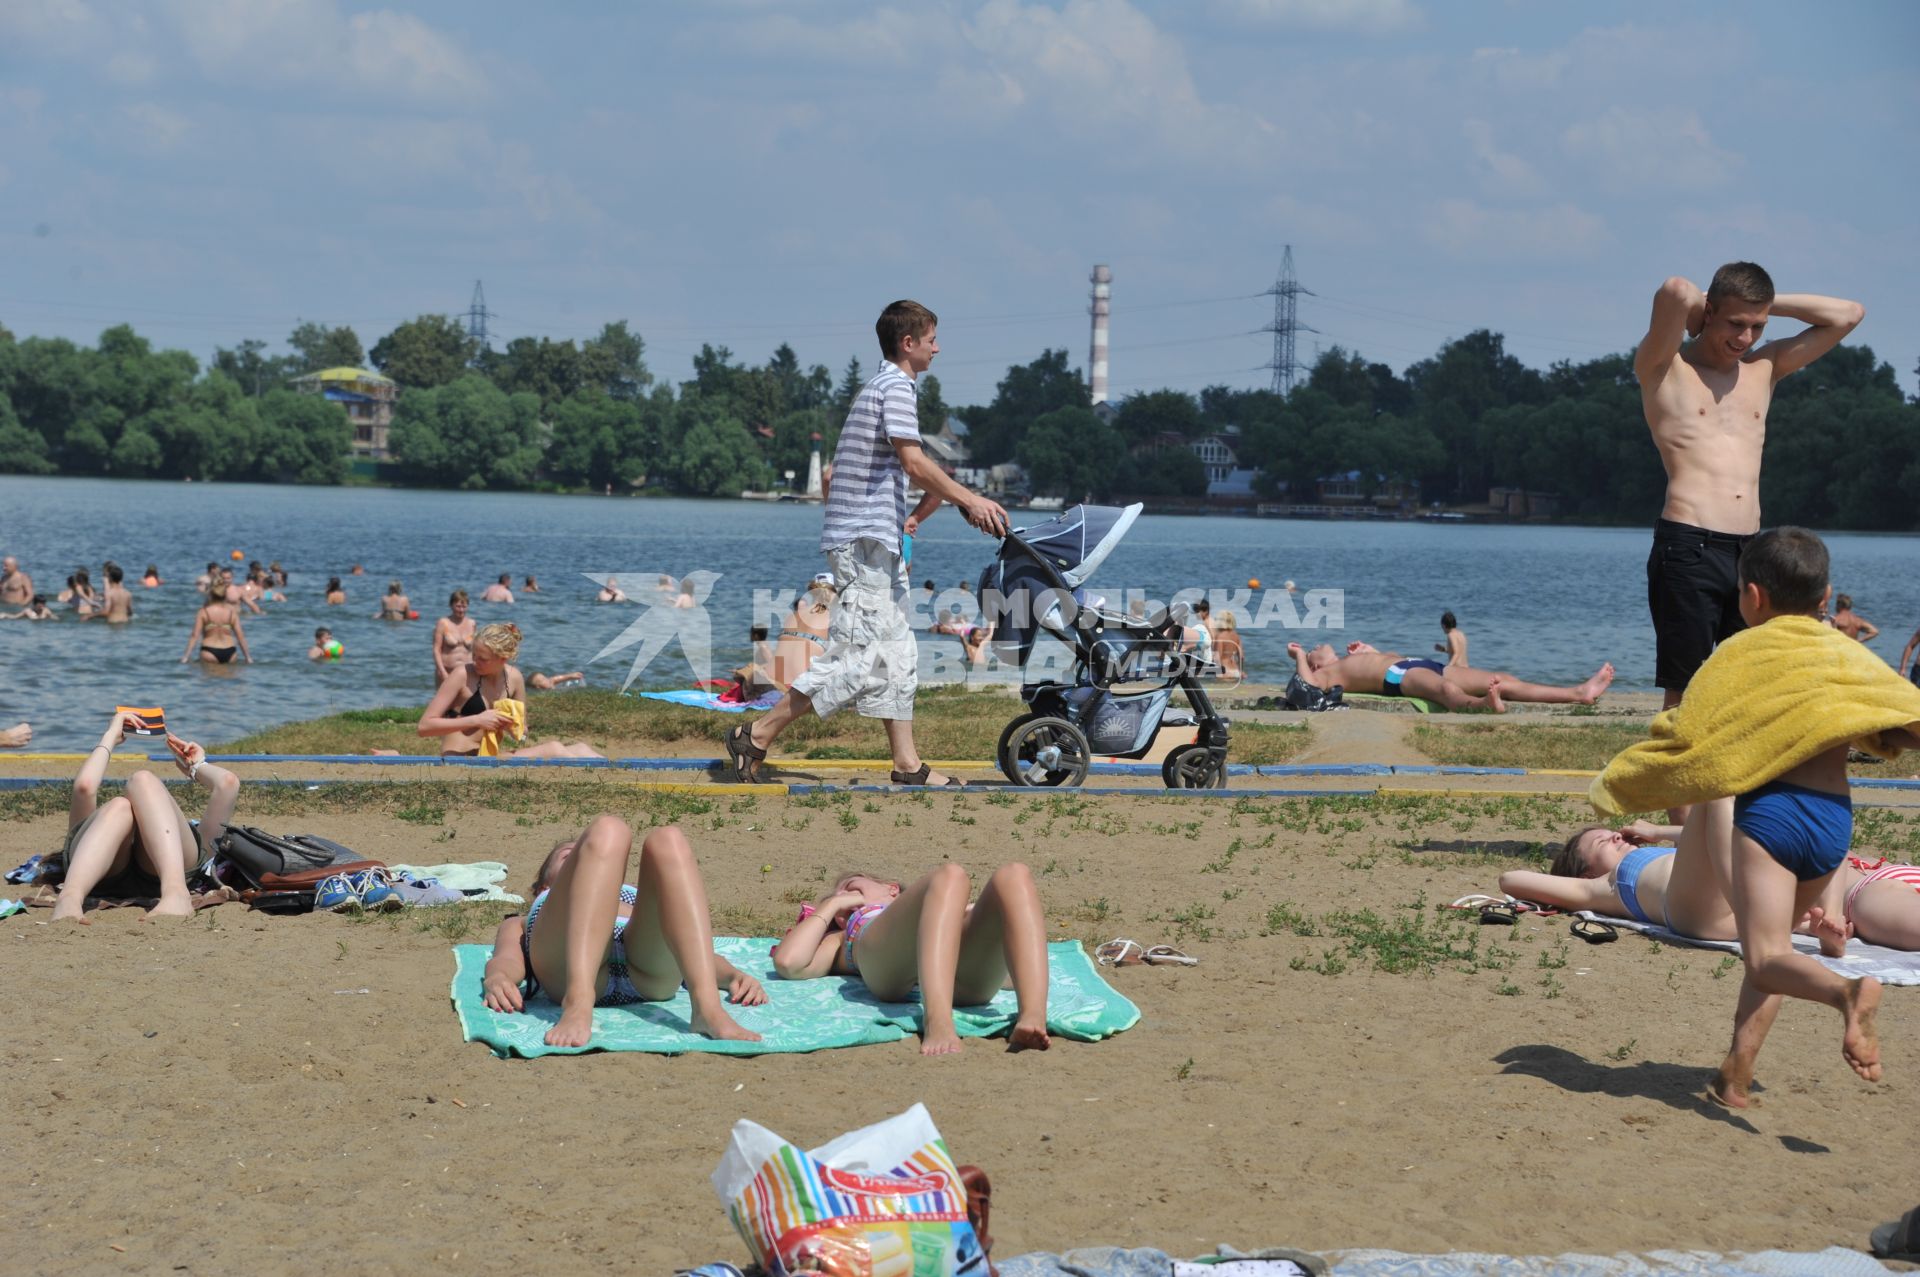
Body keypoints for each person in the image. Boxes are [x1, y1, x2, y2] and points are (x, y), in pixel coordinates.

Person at [1592, 527, 1920, 1109]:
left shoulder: (1741, 653)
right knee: (1771, 954)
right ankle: (1736, 1072)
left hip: (1772, 818)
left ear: (1750, 596)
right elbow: (1897, 712)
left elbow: (1690, 730)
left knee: (1767, 957)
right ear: (1827, 597)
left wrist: (1624, 778)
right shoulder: (1845, 652)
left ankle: (1848, 996)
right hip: (1832, 823)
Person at [725, 300, 1009, 788]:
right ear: (908, 343)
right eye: (932, 339)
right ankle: (756, 733)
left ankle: (907, 765)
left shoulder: (883, 387)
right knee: (857, 656)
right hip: (864, 545)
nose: (938, 348)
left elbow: (883, 472)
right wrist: (972, 501)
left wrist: (926, 512)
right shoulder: (895, 387)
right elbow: (915, 464)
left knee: (897, 654)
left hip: (877, 542)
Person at [1637, 264, 1864, 713]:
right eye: (1735, 323)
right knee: (1686, 692)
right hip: (1689, 546)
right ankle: (1679, 781)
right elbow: (1675, 290)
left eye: (1757, 326)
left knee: (1752, 686)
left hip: (1753, 552)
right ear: (1708, 313)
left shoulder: (1765, 368)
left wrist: (1761, 302)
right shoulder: (1664, 368)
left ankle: (1741, 783)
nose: (1746, 337)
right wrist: (1714, 298)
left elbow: (1848, 314)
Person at [479, 817, 764, 1047]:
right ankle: (579, 1001)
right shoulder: (526, 919)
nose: (586, 858)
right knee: (608, 830)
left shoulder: (629, 900)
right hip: (567, 970)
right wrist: (498, 978)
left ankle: (707, 1007)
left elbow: (685, 946)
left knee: (669, 839)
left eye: (588, 854)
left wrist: (733, 976)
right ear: (543, 888)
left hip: (646, 971)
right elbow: (506, 958)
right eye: (571, 857)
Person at [770, 862, 1051, 1055]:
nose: (842, 894)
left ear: (892, 889)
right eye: (837, 896)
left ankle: (1033, 1015)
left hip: (962, 980)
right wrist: (831, 906)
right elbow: (789, 962)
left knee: (1015, 874)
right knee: (951, 874)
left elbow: (1006, 967)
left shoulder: (939, 904)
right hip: (886, 967)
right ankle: (938, 1021)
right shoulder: (841, 937)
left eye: (852, 888)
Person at [51, 712, 240, 922]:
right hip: (168, 873)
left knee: (123, 802)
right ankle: (175, 892)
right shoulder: (196, 845)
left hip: (95, 877)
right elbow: (228, 783)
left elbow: (85, 788)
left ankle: (69, 898)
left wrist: (111, 735)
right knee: (131, 793)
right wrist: (197, 766)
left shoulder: (90, 838)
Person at [418, 622, 603, 758]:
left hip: (489, 757)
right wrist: (477, 719)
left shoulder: (514, 678)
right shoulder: (462, 675)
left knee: (581, 749)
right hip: (457, 757)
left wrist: (514, 727)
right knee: (554, 749)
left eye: (482, 658)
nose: (475, 662)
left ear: (503, 658)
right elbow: (424, 727)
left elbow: (523, 732)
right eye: (474, 655)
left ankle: (613, 773)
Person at [1286, 640, 1612, 711]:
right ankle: (1479, 706)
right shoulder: (1324, 675)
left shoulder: (1347, 658)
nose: (1318, 645)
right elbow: (1304, 688)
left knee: (1502, 678)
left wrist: (1372, 651)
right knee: (1443, 689)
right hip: (1399, 678)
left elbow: (1392, 658)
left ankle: (1577, 692)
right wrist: (1299, 655)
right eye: (1314, 649)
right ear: (1315, 665)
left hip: (1415, 663)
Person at [182, 580, 251, 664]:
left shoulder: (203, 612)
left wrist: (186, 657)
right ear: (225, 595)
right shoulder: (232, 613)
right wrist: (248, 657)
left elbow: (194, 636)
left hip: (209, 651)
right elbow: (240, 636)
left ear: (210, 595)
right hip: (230, 652)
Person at [433, 589, 476, 685]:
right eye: (458, 606)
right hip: (447, 671)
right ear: (451, 605)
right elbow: (436, 649)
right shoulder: (443, 623)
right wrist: (442, 671)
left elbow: (475, 650)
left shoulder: (472, 623)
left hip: (467, 672)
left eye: (464, 607)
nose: (461, 610)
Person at [1213, 611, 1244, 679]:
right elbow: (1241, 656)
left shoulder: (1220, 636)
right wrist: (1241, 671)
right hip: (1236, 671)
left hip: (1225, 671)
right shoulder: (1236, 636)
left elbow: (1217, 657)